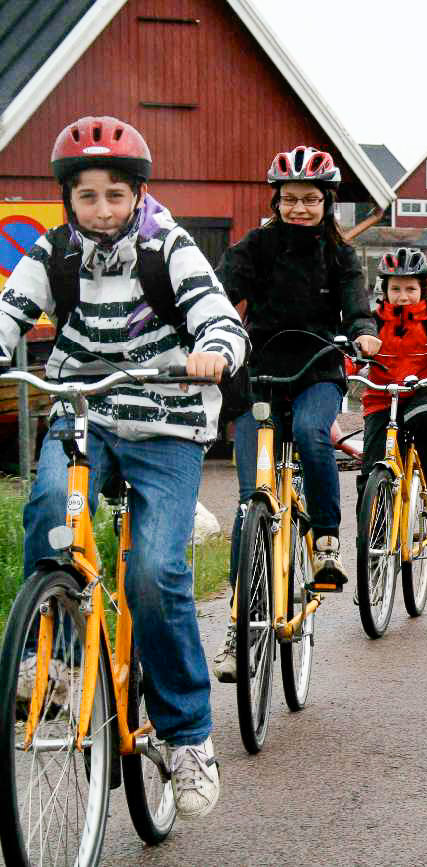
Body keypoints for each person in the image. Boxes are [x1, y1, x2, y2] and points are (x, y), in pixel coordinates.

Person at [0, 116, 249, 819]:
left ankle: (188, 736)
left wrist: (215, 352)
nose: (102, 208)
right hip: (86, 412)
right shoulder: (52, 255)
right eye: (88, 196)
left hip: (166, 423)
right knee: (48, 503)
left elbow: (220, 319)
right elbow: (9, 313)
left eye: (115, 194)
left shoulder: (167, 248)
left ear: (138, 193)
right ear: (67, 200)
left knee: (155, 570)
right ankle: (53, 650)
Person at [213, 146, 379, 677]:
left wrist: (364, 332)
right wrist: (204, 330)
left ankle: (325, 540)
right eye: (291, 199)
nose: (300, 208)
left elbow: (357, 302)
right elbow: (219, 294)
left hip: (319, 368)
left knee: (311, 434)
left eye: (311, 199)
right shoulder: (255, 247)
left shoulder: (340, 254)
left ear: (327, 202)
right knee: (249, 503)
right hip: (260, 371)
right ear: (277, 201)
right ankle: (241, 626)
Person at [359, 247, 427, 518]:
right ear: (384, 291)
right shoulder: (372, 323)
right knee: (370, 470)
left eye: (410, 289)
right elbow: (354, 352)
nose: (403, 297)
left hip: (426, 391)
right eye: (396, 289)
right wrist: (342, 368)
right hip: (383, 398)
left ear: (423, 289)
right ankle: (375, 536)